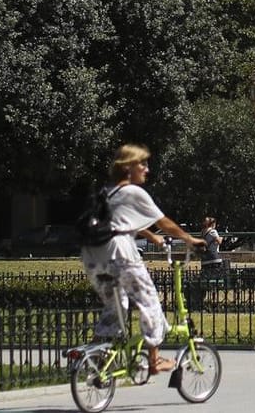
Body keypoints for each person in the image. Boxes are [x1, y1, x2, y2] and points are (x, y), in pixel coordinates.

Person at [78, 144, 203, 377]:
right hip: (120, 255)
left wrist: (149, 235)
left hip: (93, 256)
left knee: (116, 306)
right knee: (150, 302)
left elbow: (120, 221)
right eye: (142, 164)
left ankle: (97, 355)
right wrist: (189, 239)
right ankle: (154, 360)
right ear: (128, 168)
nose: (147, 169)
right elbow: (164, 222)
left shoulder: (107, 192)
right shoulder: (134, 192)